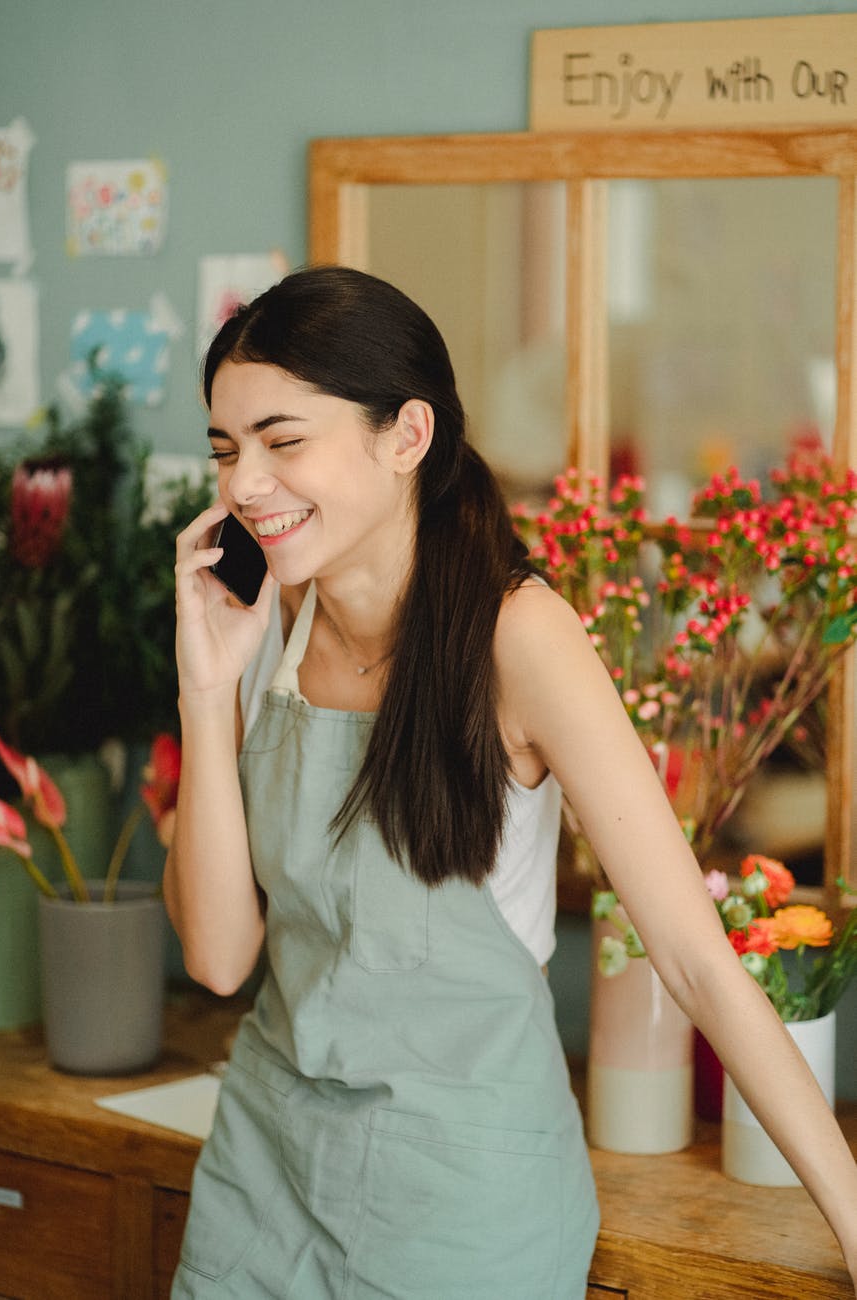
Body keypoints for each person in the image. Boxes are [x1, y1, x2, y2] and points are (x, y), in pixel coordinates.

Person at [165, 265, 857, 1299]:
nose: (244, 485)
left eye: (283, 439)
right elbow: (220, 958)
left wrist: (850, 1214)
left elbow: (694, 957)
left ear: (406, 436)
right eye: (227, 449)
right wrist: (204, 684)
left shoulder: (518, 637)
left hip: (462, 1197)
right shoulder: (259, 625)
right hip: (266, 1173)